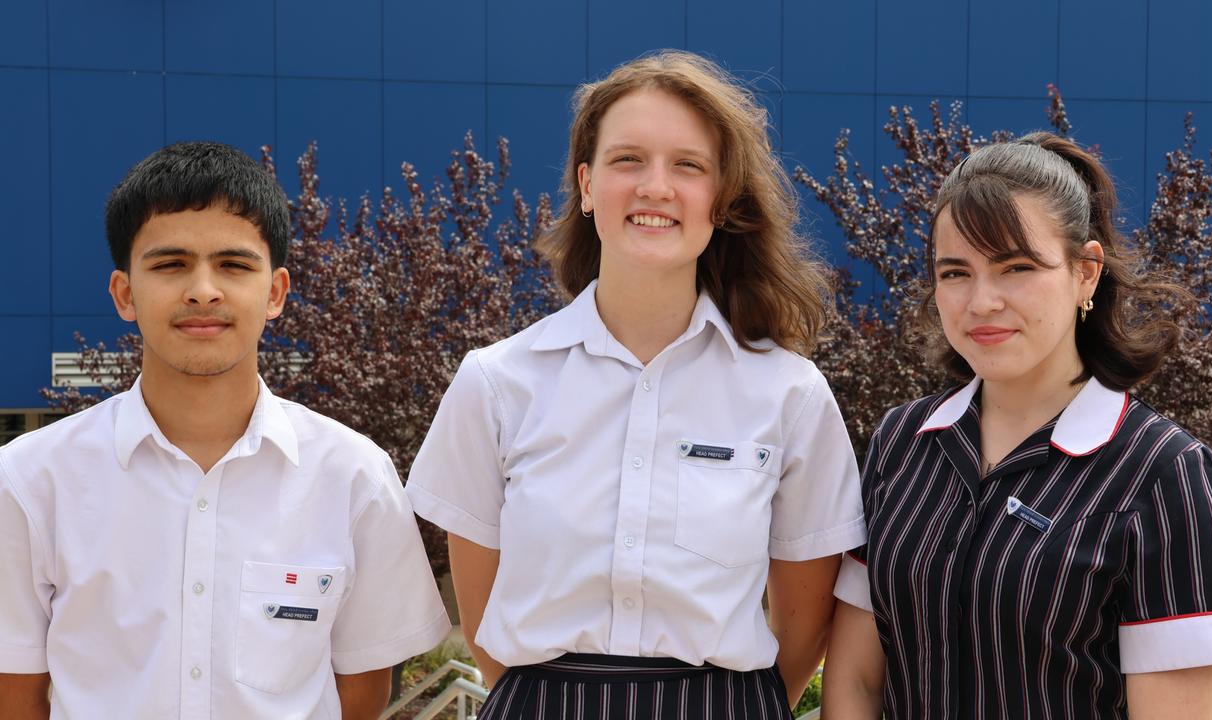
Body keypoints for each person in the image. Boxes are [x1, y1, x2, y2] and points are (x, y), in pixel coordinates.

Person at [406, 50, 864, 719]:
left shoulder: (788, 393)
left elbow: (802, 627)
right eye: (628, 161)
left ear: (723, 198)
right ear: (587, 186)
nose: (656, 186)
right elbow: (480, 617)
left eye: (688, 165)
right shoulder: (498, 383)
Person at [0, 142, 451, 719]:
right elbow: (17, 691)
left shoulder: (353, 475)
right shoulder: (32, 479)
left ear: (276, 292)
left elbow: (361, 689)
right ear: (123, 294)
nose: (203, 290)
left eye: (234, 265)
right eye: (170, 265)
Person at [821, 133, 1212, 718]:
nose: (982, 301)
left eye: (1017, 267)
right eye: (955, 272)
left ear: (1086, 272)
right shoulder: (900, 444)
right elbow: (855, 684)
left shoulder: (1167, 473)